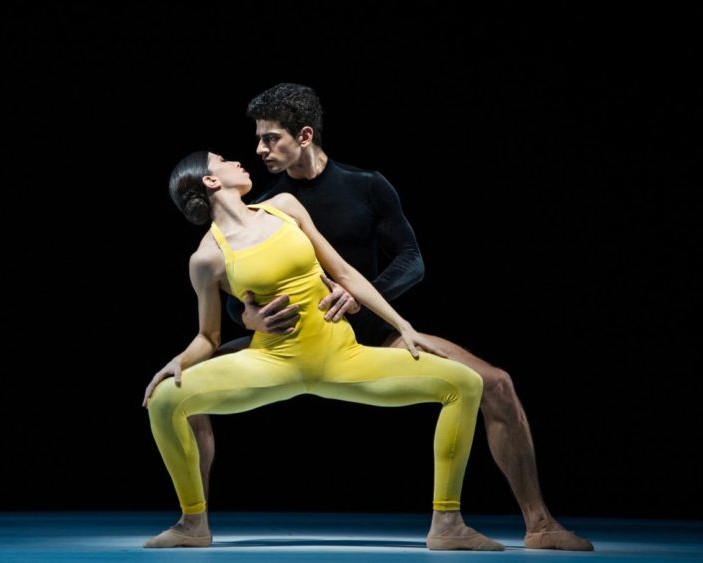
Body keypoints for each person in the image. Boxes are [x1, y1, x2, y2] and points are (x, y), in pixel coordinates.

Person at [187, 83, 593, 551]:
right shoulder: (267, 205)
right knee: (183, 386)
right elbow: (236, 292)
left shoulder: (366, 185)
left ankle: (540, 525)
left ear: (303, 135)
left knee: (496, 383)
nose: (258, 150)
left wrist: (361, 296)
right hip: (290, 344)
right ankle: (193, 523)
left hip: (371, 335)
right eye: (257, 139)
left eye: (270, 138)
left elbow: (411, 258)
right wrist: (251, 318)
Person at [142, 151, 504, 551]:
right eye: (224, 160)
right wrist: (179, 360)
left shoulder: (283, 208)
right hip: (271, 364)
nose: (239, 162)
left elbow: (345, 274)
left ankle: (447, 524)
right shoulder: (206, 257)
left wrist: (405, 327)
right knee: (164, 400)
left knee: (465, 383)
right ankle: (193, 523)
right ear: (211, 181)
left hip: (342, 356)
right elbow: (208, 337)